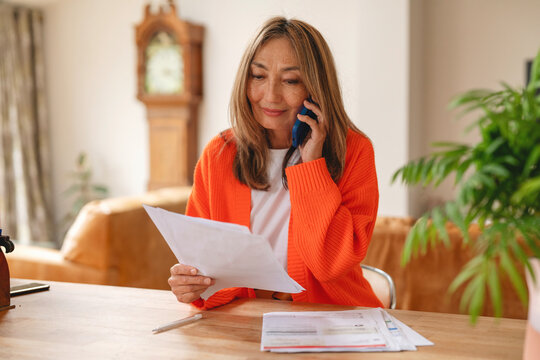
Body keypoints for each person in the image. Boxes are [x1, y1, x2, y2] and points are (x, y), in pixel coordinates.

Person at [168, 16, 383, 310]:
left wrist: (311, 165)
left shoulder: (355, 151)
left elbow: (329, 264)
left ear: (315, 88)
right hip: (248, 325)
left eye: (291, 80)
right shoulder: (219, 155)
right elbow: (206, 271)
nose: (270, 96)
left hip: (336, 321)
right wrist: (194, 287)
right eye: (258, 76)